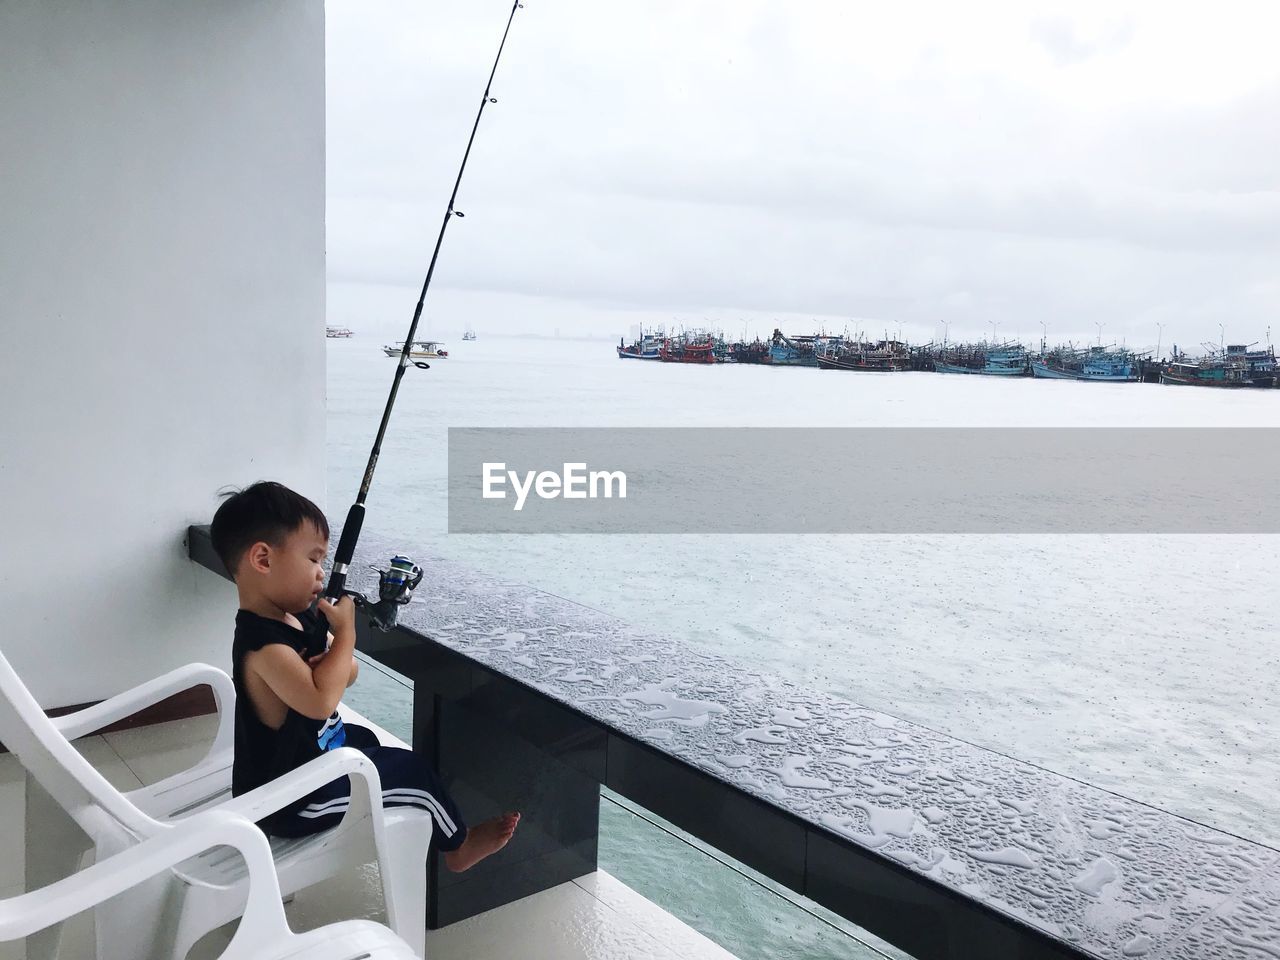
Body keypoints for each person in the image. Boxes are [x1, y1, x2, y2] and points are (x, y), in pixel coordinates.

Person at [209, 480, 519, 870]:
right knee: (414, 771)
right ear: (263, 560)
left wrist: (331, 660)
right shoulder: (264, 647)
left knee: (366, 739)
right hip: (292, 802)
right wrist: (347, 634)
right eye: (313, 559)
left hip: (302, 763)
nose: (322, 573)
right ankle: (458, 846)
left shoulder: (294, 619)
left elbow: (346, 675)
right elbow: (322, 701)